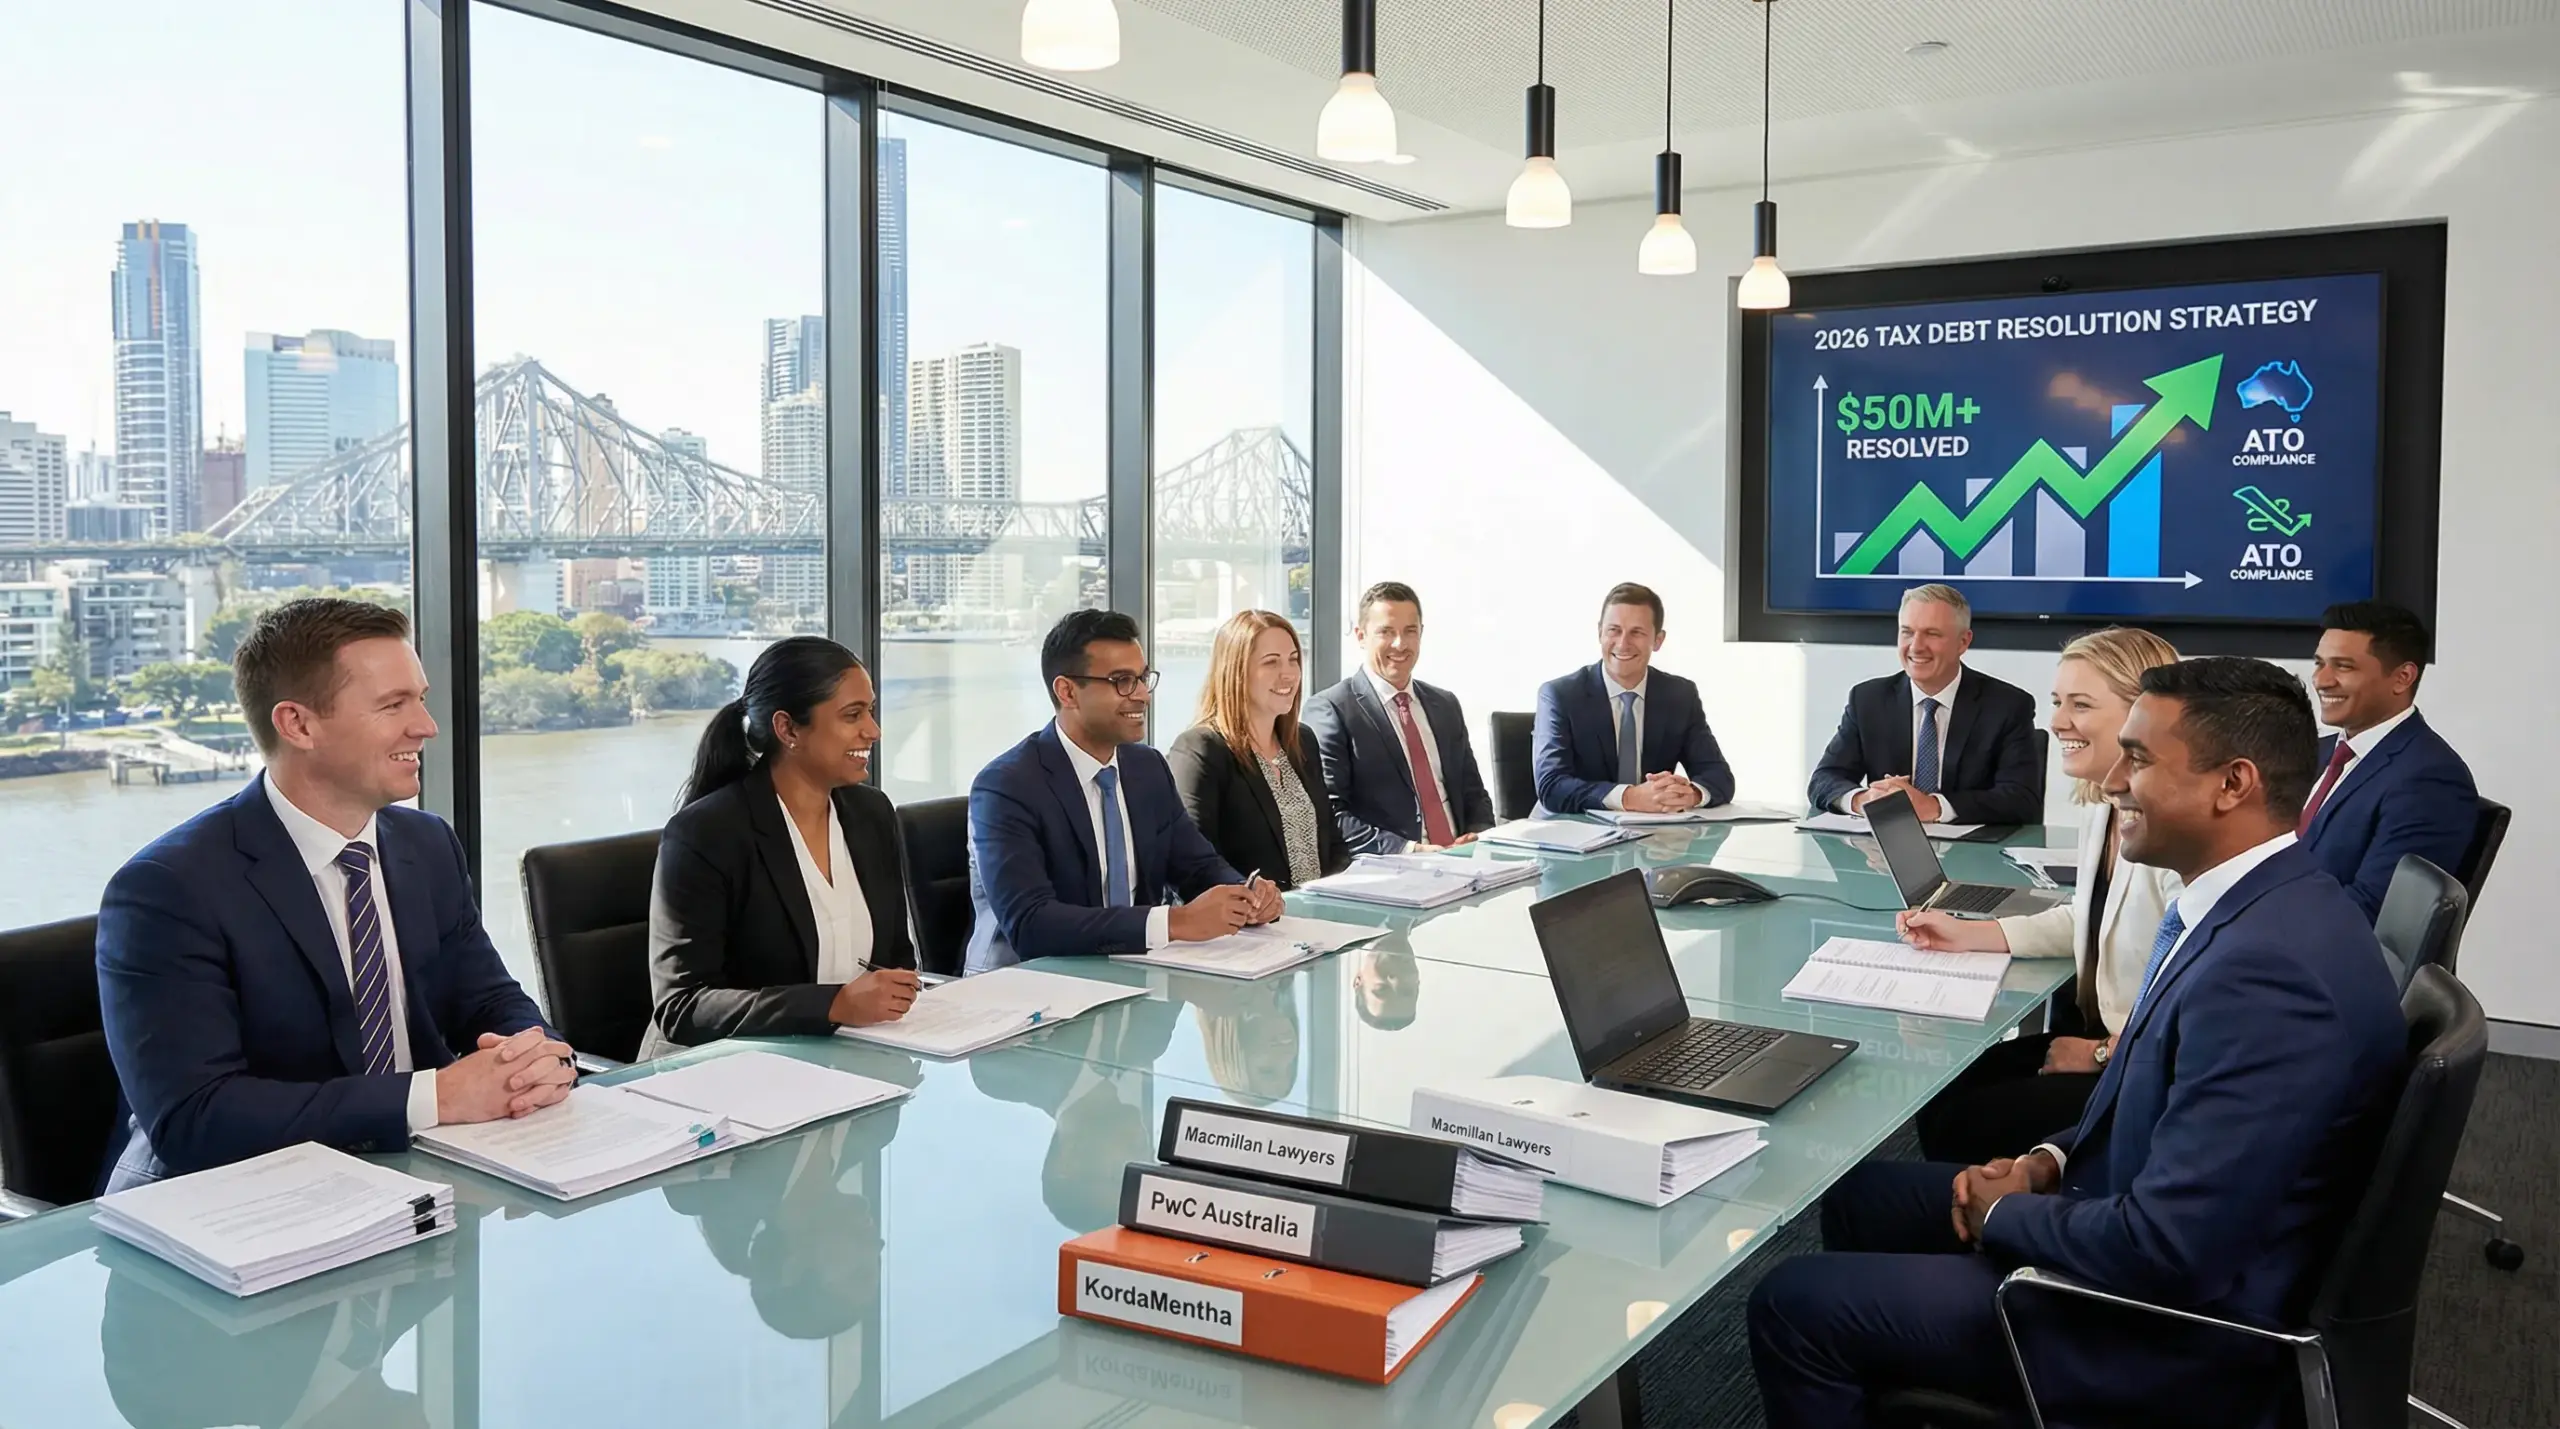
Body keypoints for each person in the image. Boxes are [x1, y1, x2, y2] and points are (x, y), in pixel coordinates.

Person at [1749, 657, 2405, 1429]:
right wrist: (2046, 1162)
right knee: (1861, 1197)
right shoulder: (2259, 905)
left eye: (2140, 759)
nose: (2115, 781)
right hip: (2131, 1215)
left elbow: (2169, 1249)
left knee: (1789, 1302)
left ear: (2233, 783)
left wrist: (2004, 1214)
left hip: (2156, 1328)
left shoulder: (2269, 976)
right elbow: (2150, 1104)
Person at [96, 598, 571, 1192]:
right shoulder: (167, 890)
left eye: (420, 699)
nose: (426, 726)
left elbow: (489, 999)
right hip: (228, 1203)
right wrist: (436, 1096)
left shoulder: (427, 845)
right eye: (393, 705)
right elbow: (197, 1118)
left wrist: (537, 1058)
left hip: (417, 1179)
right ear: (298, 725)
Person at [1901, 627, 2185, 1165]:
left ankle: (2003, 1204)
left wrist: (2101, 1053)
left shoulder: (2173, 830)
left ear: (2141, 713)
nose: (2056, 722)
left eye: (2080, 704)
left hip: (2141, 1064)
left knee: (1963, 1117)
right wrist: (1970, 933)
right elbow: (2089, 917)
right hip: (2104, 1035)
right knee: (1941, 1085)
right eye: (2057, 702)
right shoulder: (2103, 803)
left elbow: (2190, 996)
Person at [643, 636, 921, 1060]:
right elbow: (682, 1006)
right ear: (788, 729)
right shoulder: (706, 833)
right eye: (853, 715)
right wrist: (833, 1005)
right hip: (725, 1073)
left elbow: (896, 959)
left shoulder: (872, 813)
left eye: (871, 710)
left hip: (850, 1061)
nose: (874, 731)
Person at [964, 609, 1280, 974]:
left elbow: (1197, 867)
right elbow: (1031, 924)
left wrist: (1247, 894)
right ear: (1067, 692)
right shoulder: (1006, 786)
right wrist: (1175, 922)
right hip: (1026, 983)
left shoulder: (1147, 767)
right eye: (1122, 681)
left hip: (1133, 973)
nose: (1143, 695)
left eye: (1143, 678)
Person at [2299, 600, 2478, 920]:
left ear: (2402, 677)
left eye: (2343, 666)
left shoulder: (2431, 779)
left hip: (2313, 947)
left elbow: (2374, 911)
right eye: (2319, 663)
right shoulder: (2318, 751)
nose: (2321, 680)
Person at [1806, 584, 2041, 825]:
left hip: (1971, 846)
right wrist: (1864, 800)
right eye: (1907, 632)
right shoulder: (1868, 699)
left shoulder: (2007, 705)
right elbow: (1824, 780)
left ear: (1963, 642)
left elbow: (2022, 799)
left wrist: (1933, 806)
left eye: (1932, 634)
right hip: (1886, 845)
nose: (1916, 646)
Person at [1303, 581, 1497, 855]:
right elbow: (1331, 814)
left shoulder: (1445, 705)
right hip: (1391, 867)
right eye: (1386, 632)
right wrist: (1410, 850)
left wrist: (1478, 834)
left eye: (1410, 631)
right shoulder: (1331, 709)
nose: (1400, 644)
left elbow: (1473, 792)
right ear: (1361, 636)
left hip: (1462, 860)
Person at [1165, 609, 1350, 890]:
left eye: (1293, 659)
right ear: (1236, 672)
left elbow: (1332, 843)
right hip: (1249, 915)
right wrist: (1256, 899)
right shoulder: (1200, 749)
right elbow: (1194, 863)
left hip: (1321, 910)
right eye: (1271, 662)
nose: (1288, 674)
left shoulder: (1302, 741)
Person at [1531, 582, 1736, 815]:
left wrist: (1690, 794)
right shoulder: (1560, 695)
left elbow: (1719, 777)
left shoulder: (1679, 695)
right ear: (1600, 632)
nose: (1623, 644)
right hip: (1571, 830)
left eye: (1636, 632)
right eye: (1614, 630)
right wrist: (1630, 797)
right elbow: (1552, 786)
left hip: (1650, 833)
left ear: (1658, 640)